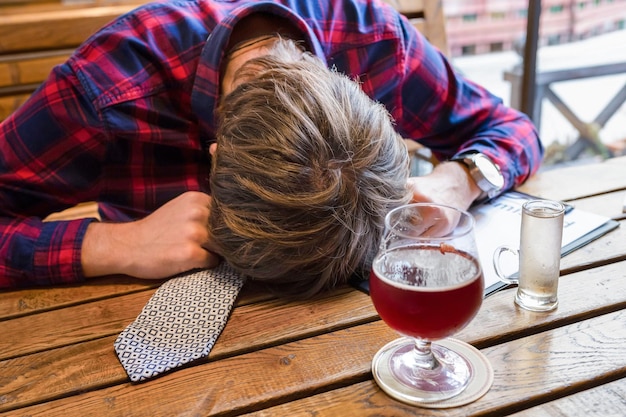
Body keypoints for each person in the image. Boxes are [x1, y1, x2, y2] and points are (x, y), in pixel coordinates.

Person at [0, 0, 543, 296]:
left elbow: (510, 127)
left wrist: (461, 180)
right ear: (214, 154)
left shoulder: (374, 42)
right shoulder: (110, 88)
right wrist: (115, 246)